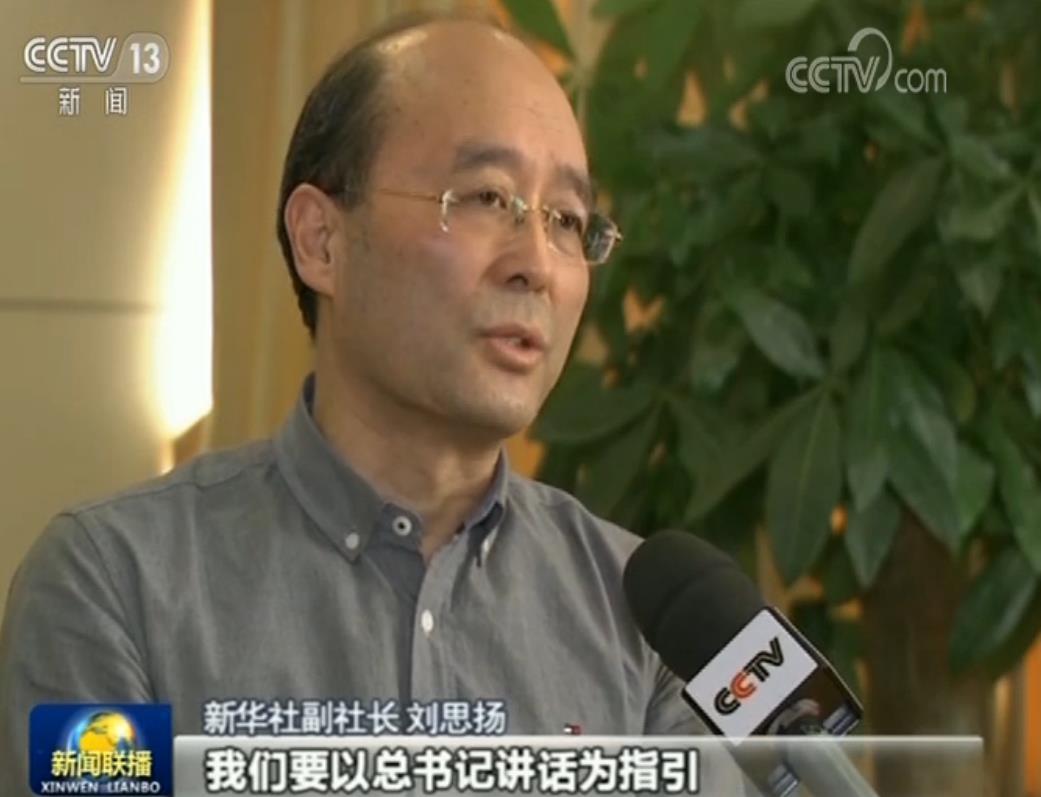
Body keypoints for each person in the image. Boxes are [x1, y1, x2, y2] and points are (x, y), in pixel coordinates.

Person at [1, 13, 740, 793]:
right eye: (487, 197)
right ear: (320, 240)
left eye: (565, 219)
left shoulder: (649, 620)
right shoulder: (114, 583)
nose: (537, 264)